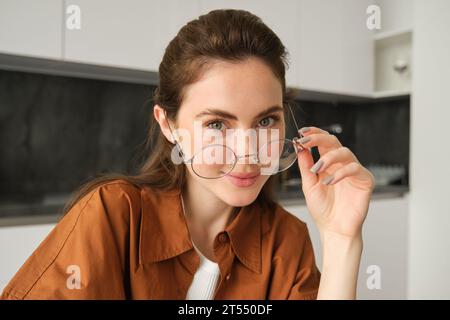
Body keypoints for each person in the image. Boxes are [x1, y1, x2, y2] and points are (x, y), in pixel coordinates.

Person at [1, 9, 374, 300]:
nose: (246, 155)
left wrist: (342, 239)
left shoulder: (286, 241)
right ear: (169, 124)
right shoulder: (113, 216)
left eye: (265, 121)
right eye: (216, 124)